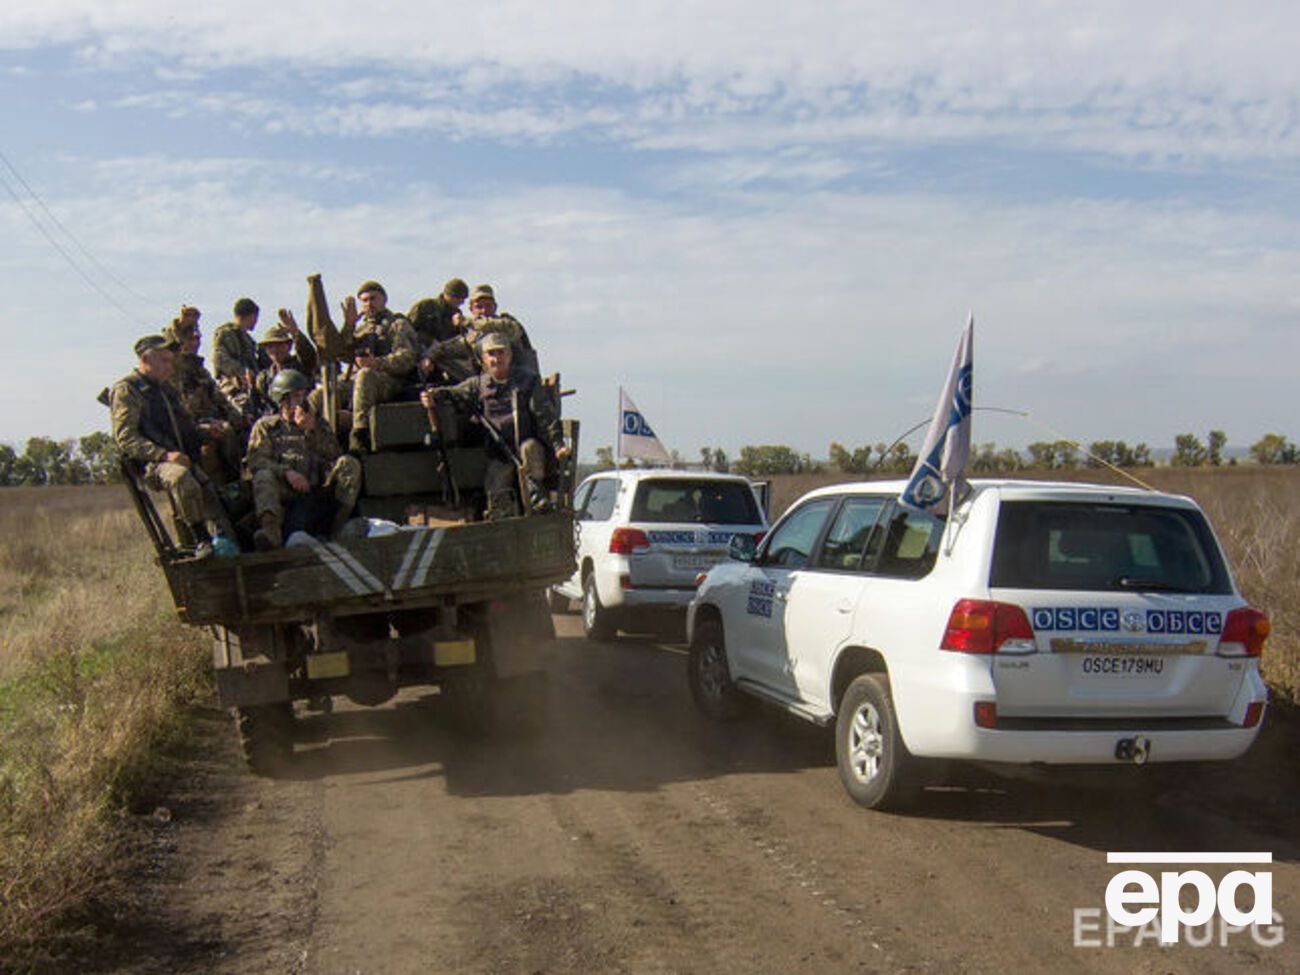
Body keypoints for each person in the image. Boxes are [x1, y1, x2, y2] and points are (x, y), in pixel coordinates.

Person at [110, 334, 233, 558]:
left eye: (170, 360)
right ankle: (201, 539)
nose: (170, 366)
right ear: (146, 360)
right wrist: (164, 455)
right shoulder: (128, 390)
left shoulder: (166, 390)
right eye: (163, 361)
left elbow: (184, 428)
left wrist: (206, 431)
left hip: (182, 456)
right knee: (181, 478)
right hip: (154, 464)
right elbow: (126, 439)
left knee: (219, 500)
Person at [421, 333, 569, 520]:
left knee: (529, 449)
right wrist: (433, 395)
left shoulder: (527, 381)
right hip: (499, 452)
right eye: (491, 354)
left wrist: (557, 445)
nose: (496, 358)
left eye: (501, 353)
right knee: (498, 491)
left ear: (510, 356)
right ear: (483, 359)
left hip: (526, 445)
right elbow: (453, 393)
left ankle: (537, 504)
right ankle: (502, 516)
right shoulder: (478, 384)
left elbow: (545, 416)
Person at [244, 370, 361, 550]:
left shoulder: (317, 423)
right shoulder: (266, 426)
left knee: (349, 464)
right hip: (286, 488)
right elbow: (256, 460)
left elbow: (334, 454)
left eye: (302, 395)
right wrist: (287, 472)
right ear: (282, 399)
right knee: (263, 476)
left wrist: (311, 430)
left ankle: (337, 530)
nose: (301, 401)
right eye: (295, 396)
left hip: (318, 486)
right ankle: (271, 533)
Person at [164, 316, 245, 483]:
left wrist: (239, 417)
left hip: (211, 423)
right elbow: (182, 414)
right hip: (188, 431)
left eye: (197, 338)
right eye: (189, 339)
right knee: (224, 433)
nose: (194, 343)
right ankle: (231, 487)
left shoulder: (200, 371)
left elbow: (220, 399)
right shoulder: (171, 373)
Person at [344, 280, 418, 452]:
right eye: (364, 300)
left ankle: (360, 436)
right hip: (357, 384)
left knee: (365, 375)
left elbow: (407, 358)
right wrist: (348, 327)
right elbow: (339, 354)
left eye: (373, 298)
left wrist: (377, 363)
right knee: (320, 393)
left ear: (384, 300)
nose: (369, 304)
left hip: (389, 382)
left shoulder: (396, 325)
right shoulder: (359, 330)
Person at [213, 297, 268, 415]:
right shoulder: (226, 334)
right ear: (248, 316)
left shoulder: (247, 339)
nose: (256, 321)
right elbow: (219, 359)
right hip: (232, 386)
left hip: (249, 386)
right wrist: (242, 372)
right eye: (254, 317)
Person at [252, 317, 319, 411]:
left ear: (289, 346)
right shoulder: (264, 378)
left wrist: (295, 333)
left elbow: (309, 354)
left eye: (279, 345)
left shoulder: (301, 365)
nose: (275, 350)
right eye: (270, 347)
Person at [408, 277, 469, 347]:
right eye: (459, 298)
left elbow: (460, 339)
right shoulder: (425, 306)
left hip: (444, 352)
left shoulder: (456, 314)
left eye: (463, 299)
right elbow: (410, 329)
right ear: (449, 295)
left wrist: (458, 326)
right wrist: (430, 341)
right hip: (420, 348)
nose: (462, 302)